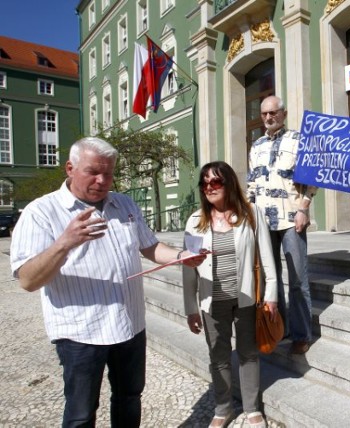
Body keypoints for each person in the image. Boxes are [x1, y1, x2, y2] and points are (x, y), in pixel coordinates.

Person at [9, 137, 205, 427]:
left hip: (129, 325)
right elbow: (27, 280)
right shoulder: (42, 212)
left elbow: (149, 247)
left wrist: (181, 255)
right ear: (70, 168)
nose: (102, 181)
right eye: (93, 172)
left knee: (129, 397)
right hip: (80, 333)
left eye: (109, 173)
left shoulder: (123, 203)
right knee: (81, 413)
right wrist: (65, 243)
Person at [183, 161, 278, 428]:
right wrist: (190, 307)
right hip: (212, 300)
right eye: (204, 183)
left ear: (228, 183)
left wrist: (271, 295)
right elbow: (188, 269)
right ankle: (222, 408)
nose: (209, 188)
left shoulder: (251, 213)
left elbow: (267, 258)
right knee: (219, 356)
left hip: (246, 296)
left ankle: (251, 408)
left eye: (215, 182)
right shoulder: (194, 221)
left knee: (248, 352)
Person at [247, 95, 317, 355]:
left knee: (298, 279)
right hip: (264, 222)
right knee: (270, 277)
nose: (268, 118)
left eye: (273, 113)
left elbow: (311, 180)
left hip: (291, 219)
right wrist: (248, 216)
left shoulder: (298, 141)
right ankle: (282, 327)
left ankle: (301, 334)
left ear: (283, 114)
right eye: (264, 113)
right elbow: (251, 185)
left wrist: (303, 209)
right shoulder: (256, 146)